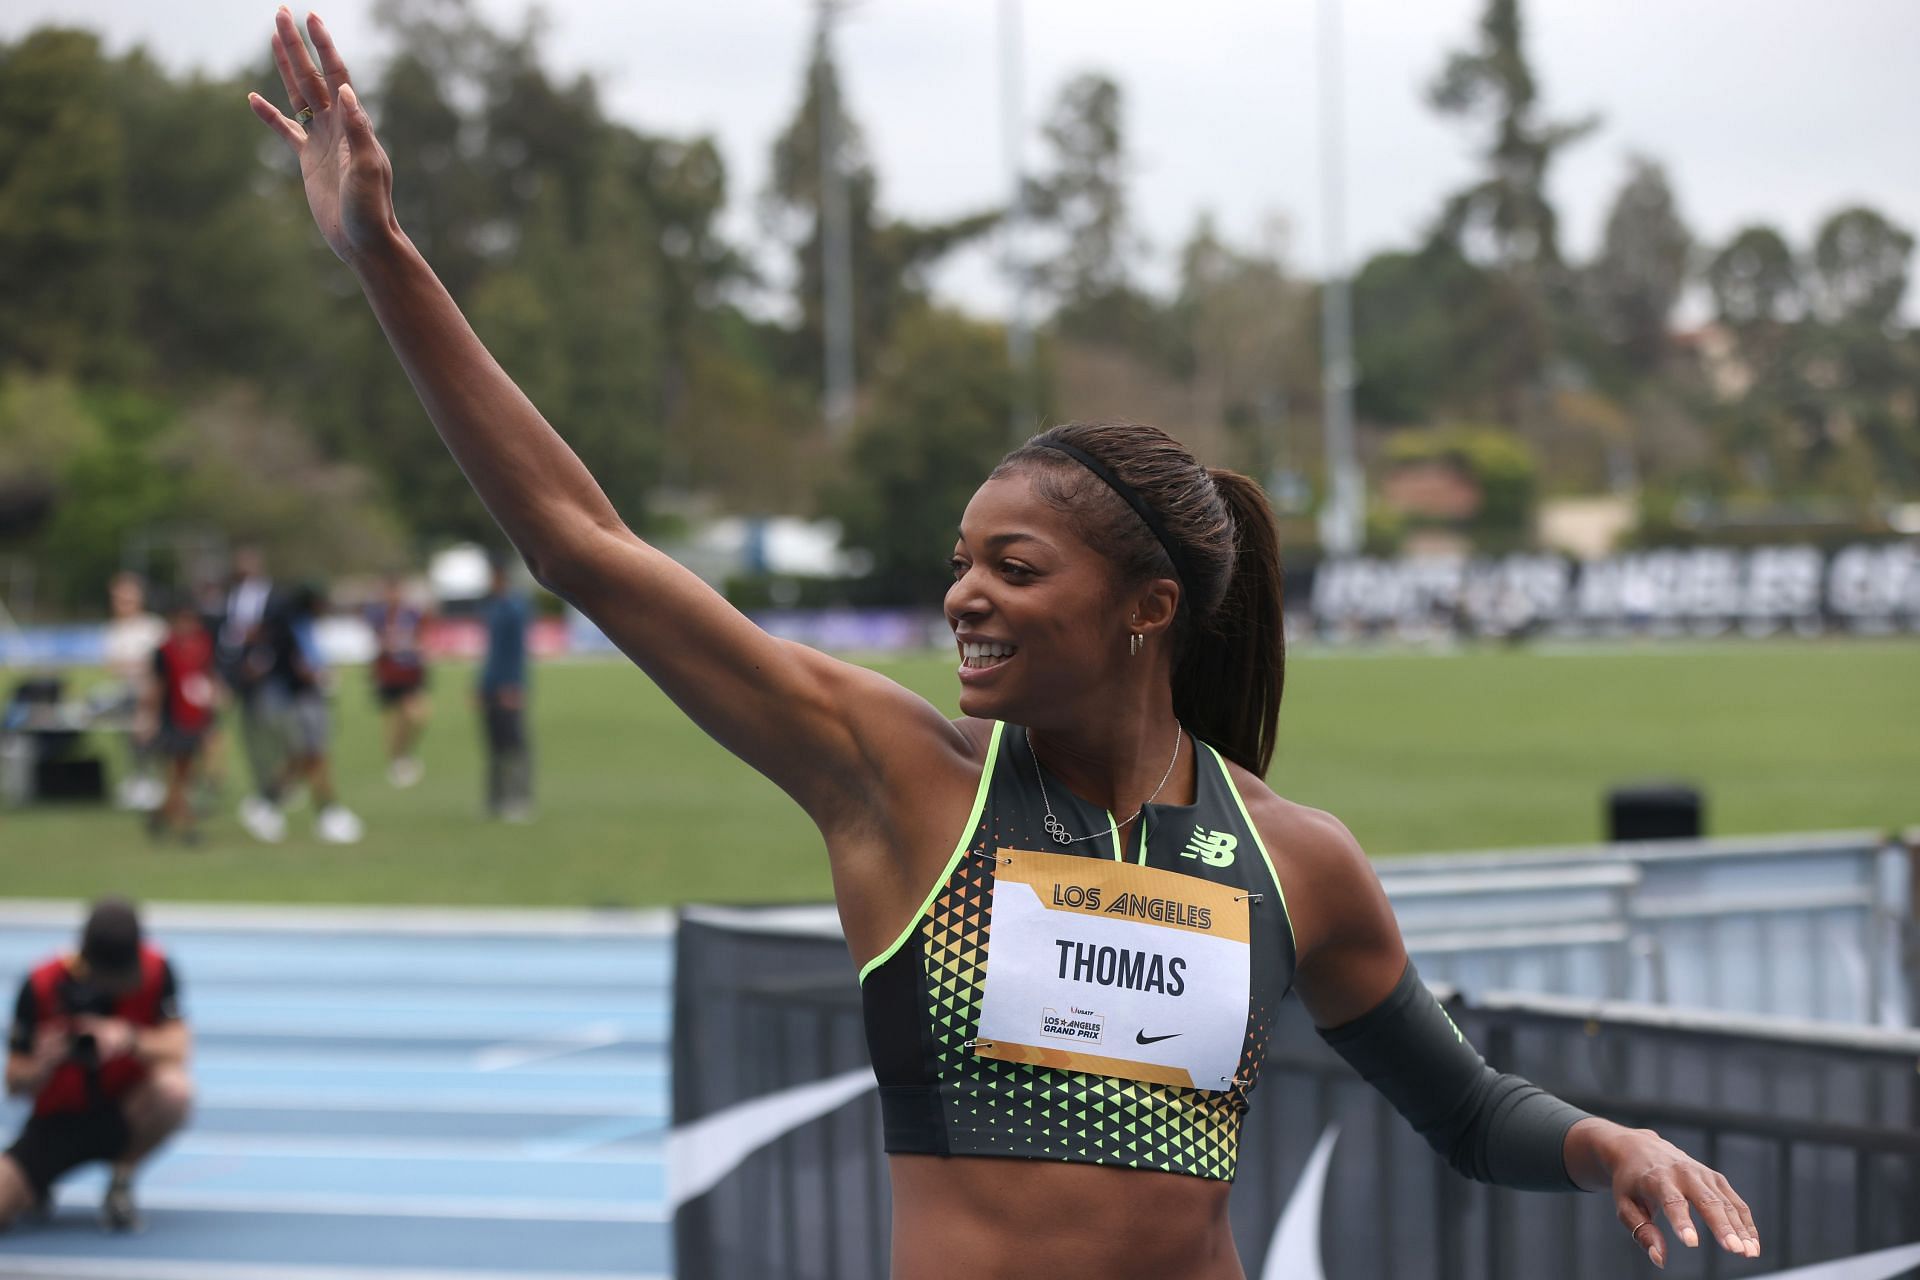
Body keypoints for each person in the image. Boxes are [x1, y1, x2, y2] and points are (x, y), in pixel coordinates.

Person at [246, 20, 1762, 1276]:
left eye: (1013, 567)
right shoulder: (895, 778)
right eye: (958, 563)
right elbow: (588, 546)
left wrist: (1594, 1141)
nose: (962, 596)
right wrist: (381, 253)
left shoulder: (1295, 862)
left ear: (1145, 608)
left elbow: (1462, 1106)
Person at [1, 898, 193, 1233]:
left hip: (124, 1111)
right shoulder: (42, 983)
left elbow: (179, 1048)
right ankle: (36, 1187)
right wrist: (43, 1062)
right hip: (54, 1125)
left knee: (174, 1090)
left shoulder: (157, 969)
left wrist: (130, 1038)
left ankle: (122, 1178)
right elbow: (14, 1083)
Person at [267, 582, 364, 844]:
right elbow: (296, 666)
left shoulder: (305, 625)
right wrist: (319, 676)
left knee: (305, 758)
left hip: (310, 698)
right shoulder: (290, 628)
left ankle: (269, 801)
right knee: (314, 756)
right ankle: (327, 811)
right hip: (301, 699)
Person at [215, 545, 287, 843]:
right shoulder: (230, 599)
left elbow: (279, 636)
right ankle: (264, 789)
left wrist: (263, 662)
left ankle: (276, 787)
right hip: (240, 678)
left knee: (276, 731)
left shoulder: (276, 598)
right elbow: (228, 639)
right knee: (251, 737)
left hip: (270, 677)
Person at [142, 595, 218, 844]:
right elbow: (157, 687)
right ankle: (186, 827)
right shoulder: (164, 651)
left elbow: (207, 679)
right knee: (177, 774)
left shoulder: (202, 645)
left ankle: (160, 816)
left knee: (185, 774)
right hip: (172, 720)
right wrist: (149, 719)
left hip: (197, 718)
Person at [100, 572, 167, 812]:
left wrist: (138, 667)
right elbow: (113, 664)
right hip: (126, 694)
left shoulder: (153, 627)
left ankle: (155, 783)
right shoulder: (114, 630)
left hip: (152, 696)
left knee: (150, 737)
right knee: (129, 738)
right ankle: (138, 781)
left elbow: (159, 666)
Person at [477, 555, 531, 821]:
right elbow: (492, 652)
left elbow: (516, 652)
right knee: (494, 745)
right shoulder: (494, 608)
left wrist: (515, 686)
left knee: (514, 745)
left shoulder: (514, 608)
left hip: (508, 686)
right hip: (491, 684)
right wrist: (481, 685)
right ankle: (496, 800)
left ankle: (519, 799)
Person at [366, 573, 430, 787]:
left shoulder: (411, 613)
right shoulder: (378, 614)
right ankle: (397, 761)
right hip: (388, 673)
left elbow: (420, 639)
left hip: (410, 672)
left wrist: (413, 648)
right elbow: (377, 642)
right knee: (394, 719)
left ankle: (402, 755)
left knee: (418, 716)